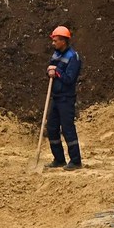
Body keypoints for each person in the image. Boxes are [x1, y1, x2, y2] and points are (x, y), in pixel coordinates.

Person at [45, 25, 83, 170]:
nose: (53, 43)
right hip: (56, 97)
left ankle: (75, 161)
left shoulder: (73, 57)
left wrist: (57, 71)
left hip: (66, 98)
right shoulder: (56, 55)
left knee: (67, 128)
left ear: (63, 41)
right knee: (52, 128)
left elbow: (69, 79)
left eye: (56, 41)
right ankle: (59, 159)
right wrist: (49, 71)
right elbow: (51, 72)